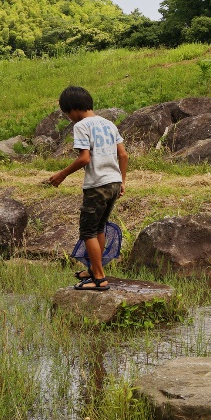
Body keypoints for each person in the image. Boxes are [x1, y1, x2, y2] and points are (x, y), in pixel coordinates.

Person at [48, 86, 128, 291]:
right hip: (114, 181)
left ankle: (99, 279)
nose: (69, 118)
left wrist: (61, 174)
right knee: (99, 227)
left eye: (67, 114)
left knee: (88, 231)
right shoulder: (109, 124)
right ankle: (94, 269)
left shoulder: (82, 125)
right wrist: (122, 181)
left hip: (97, 185)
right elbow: (124, 155)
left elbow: (84, 158)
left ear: (73, 109)